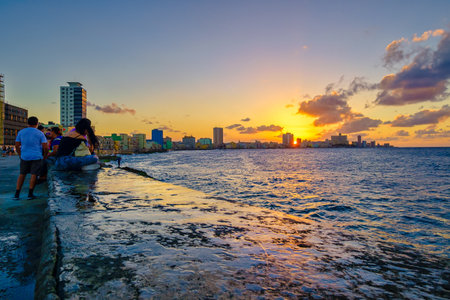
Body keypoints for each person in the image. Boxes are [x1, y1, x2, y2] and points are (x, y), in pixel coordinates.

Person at [14, 116, 48, 199]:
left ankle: (17, 194)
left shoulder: (21, 132)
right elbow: (45, 147)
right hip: (36, 156)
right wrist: (44, 156)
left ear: (27, 123)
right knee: (34, 174)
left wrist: (20, 154)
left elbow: (17, 145)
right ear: (37, 123)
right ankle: (30, 194)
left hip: (24, 156)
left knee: (22, 174)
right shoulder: (40, 133)